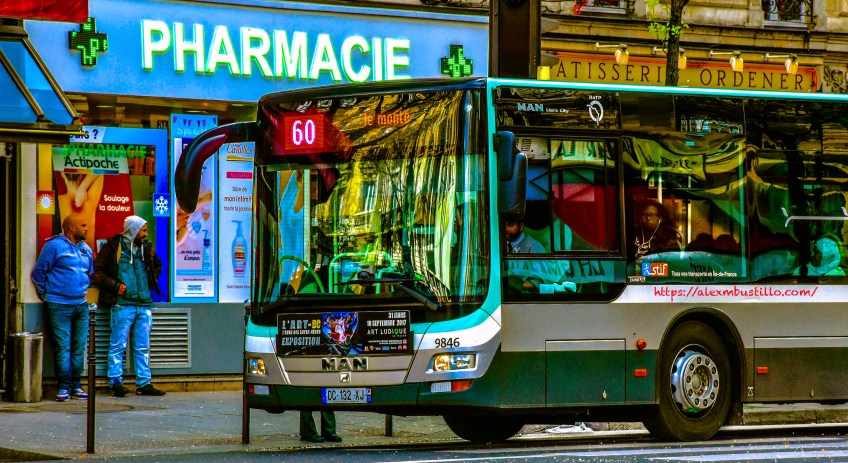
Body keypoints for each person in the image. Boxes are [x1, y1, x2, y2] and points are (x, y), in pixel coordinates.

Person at [92, 215, 166, 397]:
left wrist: (150, 281)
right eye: (143, 230)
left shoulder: (146, 248)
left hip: (143, 303)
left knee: (143, 346)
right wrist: (116, 286)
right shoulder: (113, 247)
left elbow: (158, 264)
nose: (146, 234)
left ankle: (144, 382)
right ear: (133, 230)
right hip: (122, 304)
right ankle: (115, 381)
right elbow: (97, 271)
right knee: (118, 344)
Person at [31, 213, 94, 401]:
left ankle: (76, 385)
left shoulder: (86, 249)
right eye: (83, 225)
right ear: (71, 228)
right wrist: (46, 292)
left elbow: (88, 272)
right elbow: (38, 272)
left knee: (79, 347)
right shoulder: (54, 246)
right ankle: (64, 386)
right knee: (63, 347)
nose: (87, 228)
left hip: (81, 304)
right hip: (59, 305)